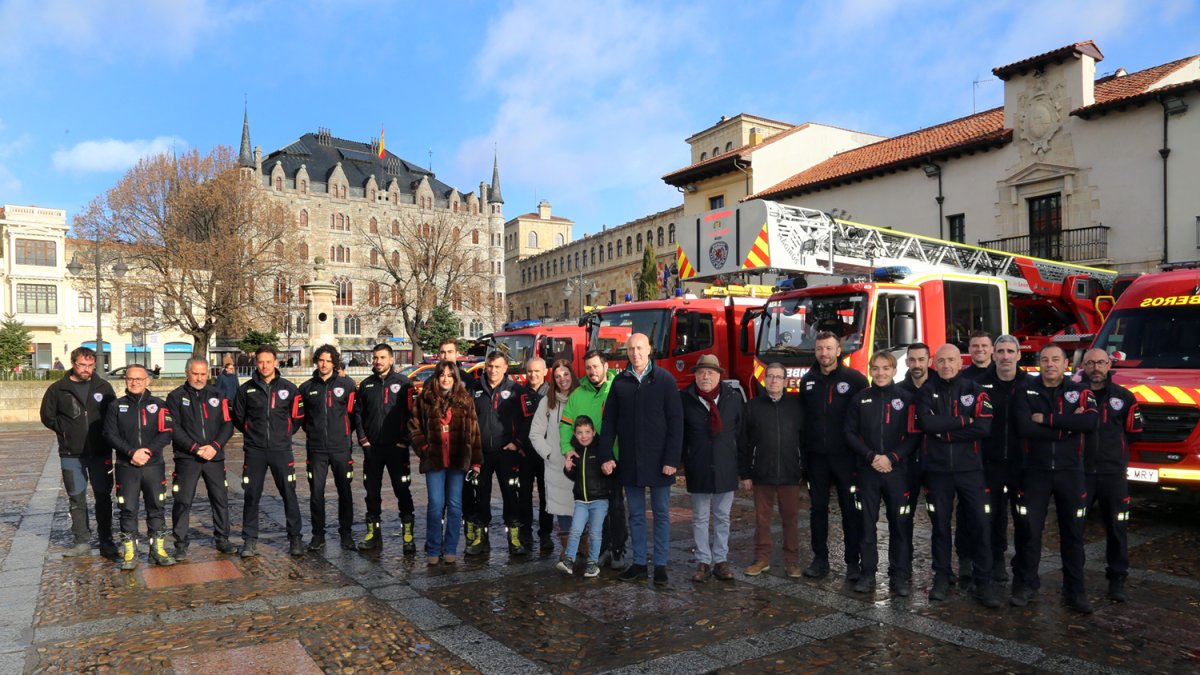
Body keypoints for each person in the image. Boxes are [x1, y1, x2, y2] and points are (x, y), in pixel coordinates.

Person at [1011, 343, 1099, 613]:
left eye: (1055, 360)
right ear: (1039, 363)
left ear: (1066, 364)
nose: (1050, 364)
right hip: (1035, 472)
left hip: (1070, 472)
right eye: (1045, 359)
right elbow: (1025, 427)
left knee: (1073, 534)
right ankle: (1026, 584)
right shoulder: (1025, 390)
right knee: (1029, 531)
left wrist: (1047, 419)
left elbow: (1090, 423)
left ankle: (1075, 591)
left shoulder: (1080, 391)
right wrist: (1066, 425)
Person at [915, 344, 1000, 608]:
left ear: (959, 362)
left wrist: (946, 432)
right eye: (941, 361)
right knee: (940, 527)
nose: (946, 365)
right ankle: (942, 577)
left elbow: (984, 427)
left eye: (951, 360)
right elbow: (927, 424)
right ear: (935, 363)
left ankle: (983, 582)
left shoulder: (975, 390)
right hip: (937, 471)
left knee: (980, 525)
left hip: (970, 470)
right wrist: (965, 421)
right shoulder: (926, 390)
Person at [598, 333, 683, 586]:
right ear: (627, 352)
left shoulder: (665, 380)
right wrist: (606, 455)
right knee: (635, 515)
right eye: (631, 349)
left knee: (661, 514)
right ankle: (637, 563)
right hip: (631, 460)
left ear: (649, 350)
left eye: (640, 348)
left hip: (660, 462)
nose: (635, 353)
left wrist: (672, 459)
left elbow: (676, 422)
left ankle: (660, 565)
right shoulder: (620, 382)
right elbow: (609, 421)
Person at [846, 352, 918, 596]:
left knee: (899, 524)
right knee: (866, 525)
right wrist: (871, 457)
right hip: (868, 471)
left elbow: (914, 435)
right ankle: (867, 573)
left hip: (897, 472)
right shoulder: (860, 399)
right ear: (870, 370)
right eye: (875, 368)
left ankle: (898, 575)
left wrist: (892, 457)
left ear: (894, 370)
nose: (880, 373)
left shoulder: (907, 399)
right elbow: (850, 433)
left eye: (885, 368)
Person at [799, 331, 868, 580]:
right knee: (817, 510)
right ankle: (820, 559)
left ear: (838, 351)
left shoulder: (855, 380)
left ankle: (853, 562)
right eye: (819, 349)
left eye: (829, 348)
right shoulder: (807, 381)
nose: (824, 354)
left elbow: (866, 417)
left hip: (846, 457)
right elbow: (803, 420)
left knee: (850, 510)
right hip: (816, 458)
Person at [40, 346, 117, 558]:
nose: (86, 369)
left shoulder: (104, 386)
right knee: (77, 498)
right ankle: (81, 540)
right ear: (73, 363)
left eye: (90, 365)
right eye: (82, 365)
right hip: (71, 454)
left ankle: (106, 540)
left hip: (100, 452)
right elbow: (47, 416)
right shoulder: (58, 389)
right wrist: (65, 431)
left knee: (103, 497)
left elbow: (113, 415)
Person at [1081, 347, 1143, 602]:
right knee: (1073, 528)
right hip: (1080, 473)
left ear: (1109, 365)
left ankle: (1117, 579)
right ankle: (1073, 580)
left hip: (1112, 474)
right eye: (1091, 363)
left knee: (1117, 528)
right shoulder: (1072, 395)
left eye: (1101, 363)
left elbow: (1134, 433)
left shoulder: (1124, 397)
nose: (1096, 368)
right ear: (1083, 366)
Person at [232, 345, 305, 558]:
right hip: (255, 451)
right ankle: (249, 540)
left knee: (289, 494)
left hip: (281, 450)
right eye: (260, 362)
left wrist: (284, 434)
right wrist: (251, 433)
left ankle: (295, 539)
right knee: (251, 495)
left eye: (268, 361)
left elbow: (298, 417)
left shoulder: (289, 389)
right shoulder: (246, 390)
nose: (264, 365)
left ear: (276, 362)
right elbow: (238, 416)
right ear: (256, 363)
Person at [409, 360, 482, 565]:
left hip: (458, 460)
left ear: (455, 378)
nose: (446, 379)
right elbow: (414, 426)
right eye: (442, 375)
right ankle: (433, 548)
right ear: (437, 376)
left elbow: (474, 431)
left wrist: (476, 461)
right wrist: (423, 447)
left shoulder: (465, 399)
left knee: (455, 505)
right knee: (435, 504)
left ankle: (450, 548)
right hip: (434, 460)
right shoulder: (425, 398)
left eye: (450, 375)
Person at [103, 364, 175, 570]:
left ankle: (158, 550)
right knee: (127, 509)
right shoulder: (116, 406)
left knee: (157, 508)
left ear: (147, 381)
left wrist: (147, 452)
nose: (134, 382)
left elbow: (167, 433)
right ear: (125, 380)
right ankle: (130, 552)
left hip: (153, 465)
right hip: (127, 466)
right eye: (130, 379)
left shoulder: (159, 405)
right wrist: (131, 453)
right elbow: (110, 434)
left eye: (139, 379)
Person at [680, 354, 744, 582]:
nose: (706, 376)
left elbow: (740, 433)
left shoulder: (733, 398)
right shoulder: (685, 398)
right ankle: (703, 562)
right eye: (701, 372)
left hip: (726, 466)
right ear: (695, 375)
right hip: (698, 465)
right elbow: (680, 435)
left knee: (723, 517)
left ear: (719, 375)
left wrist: (743, 468)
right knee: (699, 517)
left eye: (710, 372)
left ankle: (721, 560)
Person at [166, 358, 237, 560]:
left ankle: (223, 539)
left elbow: (227, 424)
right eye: (195, 373)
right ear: (187, 372)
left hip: (214, 457)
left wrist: (215, 446)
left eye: (203, 373)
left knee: (220, 499)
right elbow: (174, 428)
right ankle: (180, 544)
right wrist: (195, 448)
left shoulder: (218, 395)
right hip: (187, 458)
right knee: (183, 501)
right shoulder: (175, 397)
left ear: (209, 374)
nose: (199, 378)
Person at [739, 362, 805, 578]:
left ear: (785, 382)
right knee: (762, 519)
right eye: (771, 376)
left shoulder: (796, 407)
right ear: (764, 379)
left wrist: (803, 467)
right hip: (761, 472)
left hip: (790, 472)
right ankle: (762, 558)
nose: (774, 380)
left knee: (791, 519)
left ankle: (791, 561)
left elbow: (805, 440)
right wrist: (745, 472)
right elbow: (743, 442)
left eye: (778, 377)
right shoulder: (752, 406)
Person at [560, 350, 625, 568]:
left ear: (606, 366)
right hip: (587, 462)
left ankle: (616, 550)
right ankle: (599, 550)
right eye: (588, 368)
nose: (592, 371)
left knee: (615, 507)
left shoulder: (617, 388)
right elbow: (566, 425)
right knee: (594, 509)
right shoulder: (578, 394)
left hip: (613, 459)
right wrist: (567, 448)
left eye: (596, 366)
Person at [354, 343, 416, 554]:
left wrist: (405, 440)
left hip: (397, 449)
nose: (378, 361)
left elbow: (413, 415)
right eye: (375, 358)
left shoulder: (405, 384)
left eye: (382, 357)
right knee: (372, 493)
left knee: (402, 490)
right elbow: (358, 415)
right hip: (373, 450)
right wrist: (363, 440)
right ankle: (373, 534)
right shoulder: (366, 385)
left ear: (391, 360)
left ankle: (408, 534)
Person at [977, 335, 1029, 585]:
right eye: (1001, 351)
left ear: (1019, 354)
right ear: (993, 355)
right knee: (992, 517)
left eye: (1010, 351)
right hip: (990, 463)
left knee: (1025, 518)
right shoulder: (979, 384)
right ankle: (995, 562)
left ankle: (1023, 565)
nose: (1006, 356)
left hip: (1022, 464)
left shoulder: (1032, 385)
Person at [465, 351, 528, 556]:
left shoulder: (516, 390)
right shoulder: (474, 389)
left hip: (506, 453)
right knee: (480, 496)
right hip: (481, 453)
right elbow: (467, 420)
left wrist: (517, 442)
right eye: (490, 366)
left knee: (511, 495)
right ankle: (481, 538)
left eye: (497, 366)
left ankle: (515, 538)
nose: (493, 370)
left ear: (505, 368)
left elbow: (526, 420)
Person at [298, 345, 358, 552]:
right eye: (320, 360)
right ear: (316, 361)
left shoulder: (348, 385)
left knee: (345, 491)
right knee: (316, 492)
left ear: (335, 363)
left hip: (340, 447)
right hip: (316, 449)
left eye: (328, 361)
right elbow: (303, 418)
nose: (324, 364)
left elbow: (353, 414)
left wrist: (343, 433)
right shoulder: (306, 388)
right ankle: (318, 534)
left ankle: (346, 533)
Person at [954, 330, 993, 583]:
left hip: (997, 457)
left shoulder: (1000, 375)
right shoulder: (963, 379)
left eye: (984, 345)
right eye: (974, 345)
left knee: (990, 515)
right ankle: (964, 560)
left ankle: (992, 564)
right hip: (967, 459)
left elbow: (984, 424)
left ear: (991, 349)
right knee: (965, 515)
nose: (979, 349)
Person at [530, 359, 579, 562]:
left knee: (582, 505)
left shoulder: (581, 397)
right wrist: (549, 454)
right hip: (557, 465)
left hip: (580, 462)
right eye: (558, 376)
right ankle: (568, 547)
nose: (562, 379)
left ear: (572, 375)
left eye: (566, 374)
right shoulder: (547, 402)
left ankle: (583, 545)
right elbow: (535, 434)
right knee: (562, 507)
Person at [558, 416, 612, 578]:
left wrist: (609, 469)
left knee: (595, 533)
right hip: (581, 500)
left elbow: (610, 470)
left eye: (587, 432)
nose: (584, 436)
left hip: (599, 500)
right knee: (575, 530)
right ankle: (569, 560)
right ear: (575, 434)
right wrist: (568, 469)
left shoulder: (601, 450)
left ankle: (592, 563)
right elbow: (575, 476)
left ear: (594, 432)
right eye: (580, 432)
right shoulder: (575, 452)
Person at [517, 357, 555, 552]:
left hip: (546, 455)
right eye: (530, 371)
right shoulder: (519, 393)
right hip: (525, 453)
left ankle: (546, 533)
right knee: (523, 495)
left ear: (545, 371)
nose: (533, 375)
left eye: (537, 371)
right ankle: (525, 532)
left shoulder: (553, 393)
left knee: (546, 496)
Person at [896, 342, 931, 554]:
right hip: (907, 463)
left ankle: (944, 569)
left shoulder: (940, 385)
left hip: (936, 462)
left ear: (929, 360)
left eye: (921, 359)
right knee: (903, 516)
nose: (916, 364)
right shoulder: (898, 389)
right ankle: (902, 564)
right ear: (907, 361)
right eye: (912, 360)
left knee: (941, 518)